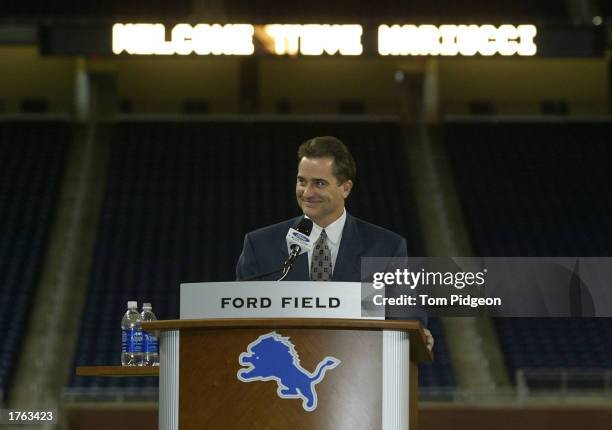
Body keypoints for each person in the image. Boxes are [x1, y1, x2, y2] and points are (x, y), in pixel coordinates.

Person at [236, 136, 433, 350]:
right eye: (302, 181)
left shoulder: (385, 247)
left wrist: (416, 333)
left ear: (345, 188)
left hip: (357, 373)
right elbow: (238, 320)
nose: (307, 193)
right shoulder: (260, 245)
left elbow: (406, 319)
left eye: (319, 183)